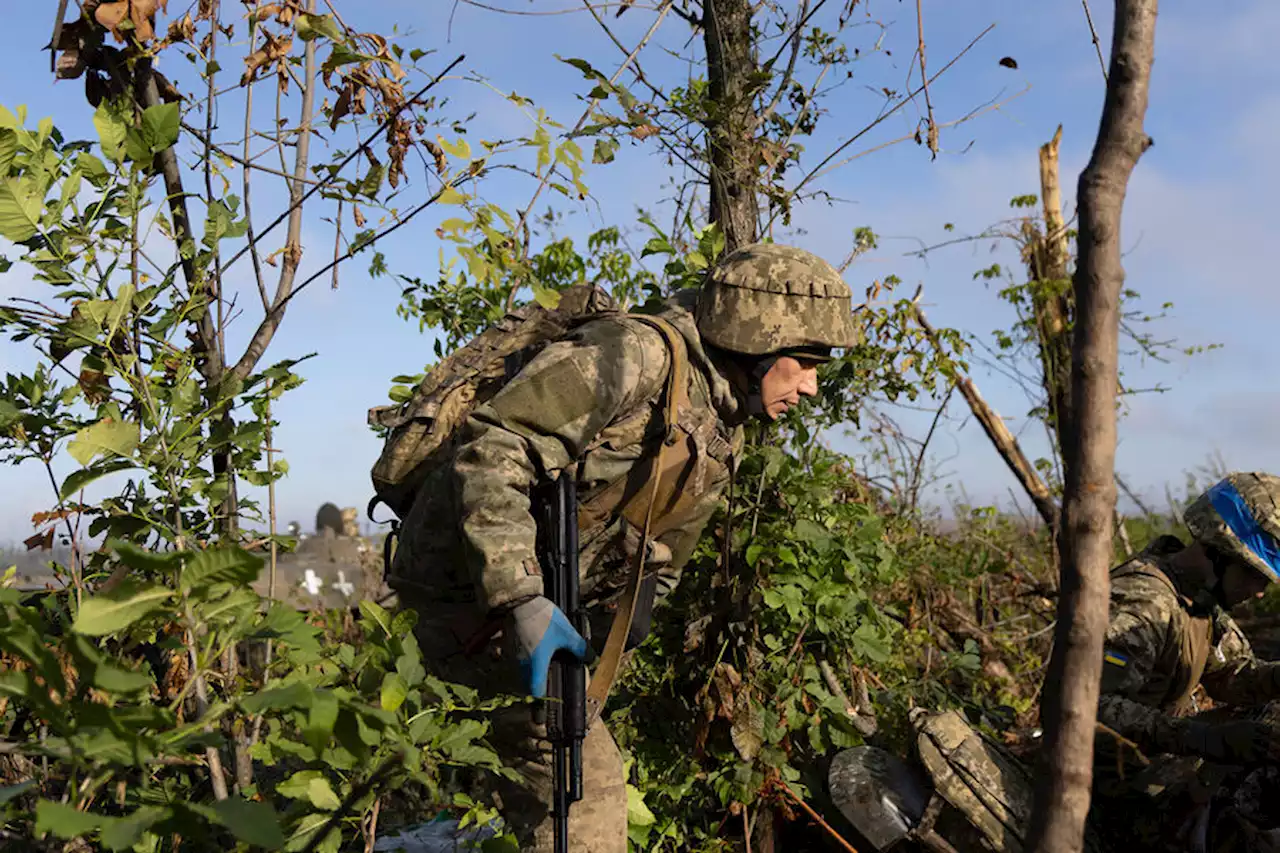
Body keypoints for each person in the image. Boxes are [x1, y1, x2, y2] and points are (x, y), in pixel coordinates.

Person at [387, 242, 862, 852]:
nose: (813, 387)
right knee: (585, 805)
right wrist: (522, 598)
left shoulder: (721, 423)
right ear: (755, 339)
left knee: (564, 783)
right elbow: (493, 450)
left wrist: (619, 633)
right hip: (473, 603)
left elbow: (663, 555)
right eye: (806, 362)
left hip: (543, 617)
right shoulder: (633, 356)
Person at [1092, 471, 1280, 851]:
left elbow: (1230, 674)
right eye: (1254, 575)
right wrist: (1206, 739)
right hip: (1120, 794)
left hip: (1157, 767)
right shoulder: (1145, 603)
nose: (1260, 593)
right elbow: (1088, 707)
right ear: (1218, 550)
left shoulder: (1194, 598)